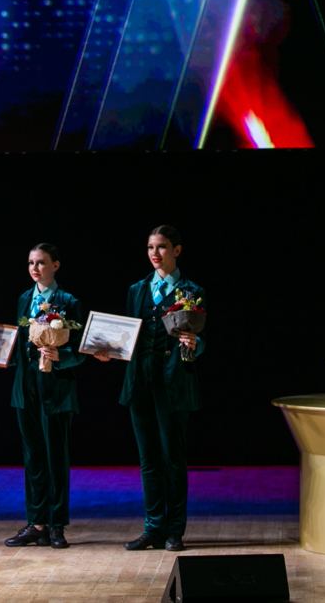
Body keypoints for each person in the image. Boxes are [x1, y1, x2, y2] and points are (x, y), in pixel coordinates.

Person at [95, 225, 204, 552]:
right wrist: (108, 351)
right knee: (149, 460)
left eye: (162, 247)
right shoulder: (137, 289)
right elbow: (128, 335)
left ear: (177, 250)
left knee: (173, 459)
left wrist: (195, 344)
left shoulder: (191, 290)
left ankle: (174, 530)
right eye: (150, 247)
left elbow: (201, 340)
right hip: (140, 382)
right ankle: (153, 527)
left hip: (173, 382)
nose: (155, 253)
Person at [0, 243, 84, 549]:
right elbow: (20, 346)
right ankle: (36, 522)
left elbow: (81, 350)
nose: (35, 268)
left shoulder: (68, 301)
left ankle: (57, 525)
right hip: (26, 388)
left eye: (41, 263)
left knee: (56, 458)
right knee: (33, 458)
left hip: (56, 389)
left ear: (55, 265)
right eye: (31, 263)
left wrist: (61, 355)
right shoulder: (25, 298)